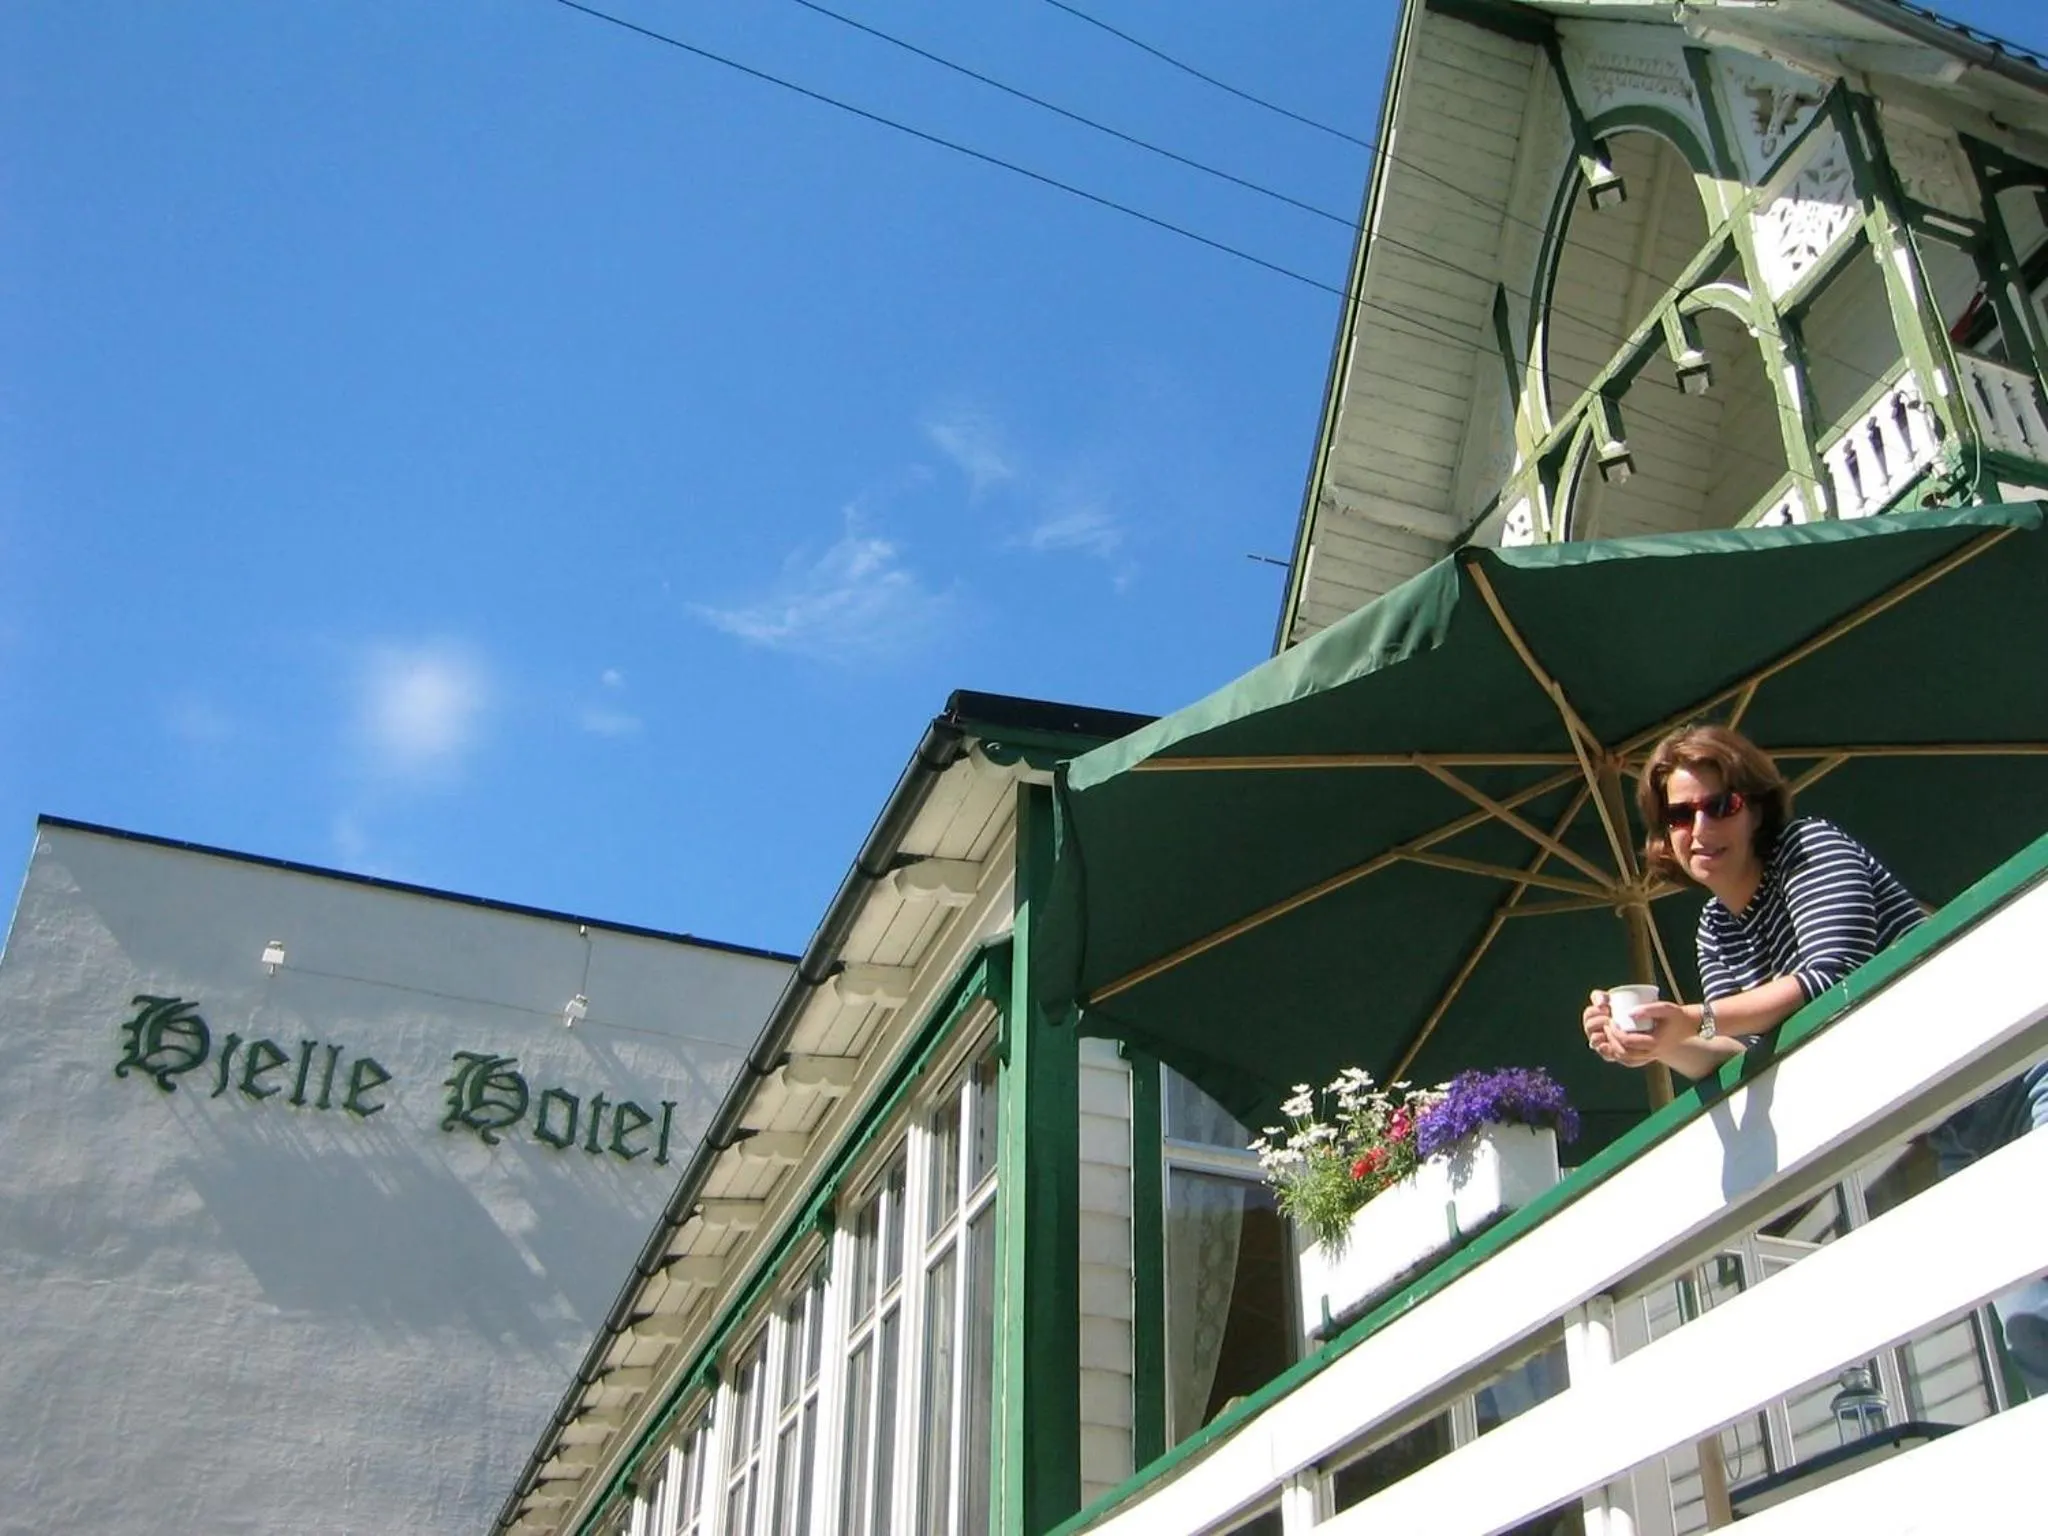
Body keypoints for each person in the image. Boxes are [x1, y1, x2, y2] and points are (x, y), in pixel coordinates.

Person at [1581, 722, 2047, 1395]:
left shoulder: (1811, 848)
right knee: (2029, 1322)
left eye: (1721, 805)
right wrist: (1658, 1044)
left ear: (1757, 806)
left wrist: (1696, 1017)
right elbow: (1738, 1054)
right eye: (1680, 815)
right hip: (1957, 1129)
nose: (1700, 827)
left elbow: (1833, 978)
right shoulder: (1716, 929)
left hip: (2022, 1068)